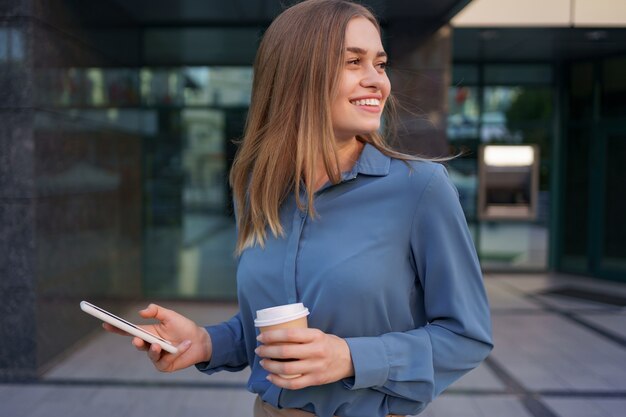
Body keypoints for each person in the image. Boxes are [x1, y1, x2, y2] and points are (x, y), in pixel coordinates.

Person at [105, 1, 493, 416]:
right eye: (353, 62)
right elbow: (273, 328)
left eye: (379, 64)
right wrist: (205, 342)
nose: (376, 81)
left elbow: (466, 336)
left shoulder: (420, 189)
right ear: (297, 76)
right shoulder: (258, 189)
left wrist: (350, 357)